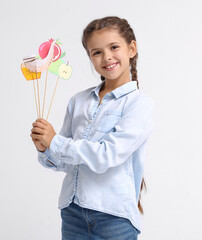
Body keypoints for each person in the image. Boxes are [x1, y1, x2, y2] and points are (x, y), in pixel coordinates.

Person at [30, 16, 154, 240]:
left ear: (131, 48)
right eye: (96, 52)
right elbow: (66, 161)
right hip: (73, 212)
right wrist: (45, 148)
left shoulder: (139, 105)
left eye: (114, 47)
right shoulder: (78, 101)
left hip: (114, 218)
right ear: (90, 57)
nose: (107, 57)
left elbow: (107, 155)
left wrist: (56, 141)